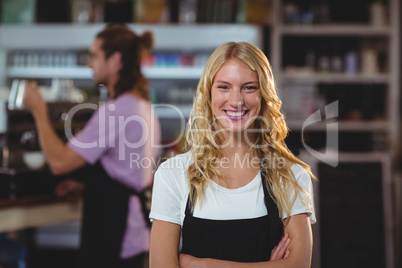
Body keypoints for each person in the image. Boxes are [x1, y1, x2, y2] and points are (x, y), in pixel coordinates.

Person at [149, 41, 316, 267]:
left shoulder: (291, 175)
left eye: (249, 87)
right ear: (207, 94)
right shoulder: (173, 175)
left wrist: (201, 265)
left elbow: (299, 265)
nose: (236, 101)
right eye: (224, 87)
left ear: (264, 96)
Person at [23, 24, 161, 268]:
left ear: (115, 60)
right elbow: (128, 172)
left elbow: (58, 163)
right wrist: (90, 186)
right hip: (131, 230)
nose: (89, 64)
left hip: (116, 231)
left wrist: (39, 110)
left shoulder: (118, 110)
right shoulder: (141, 106)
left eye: (95, 55)